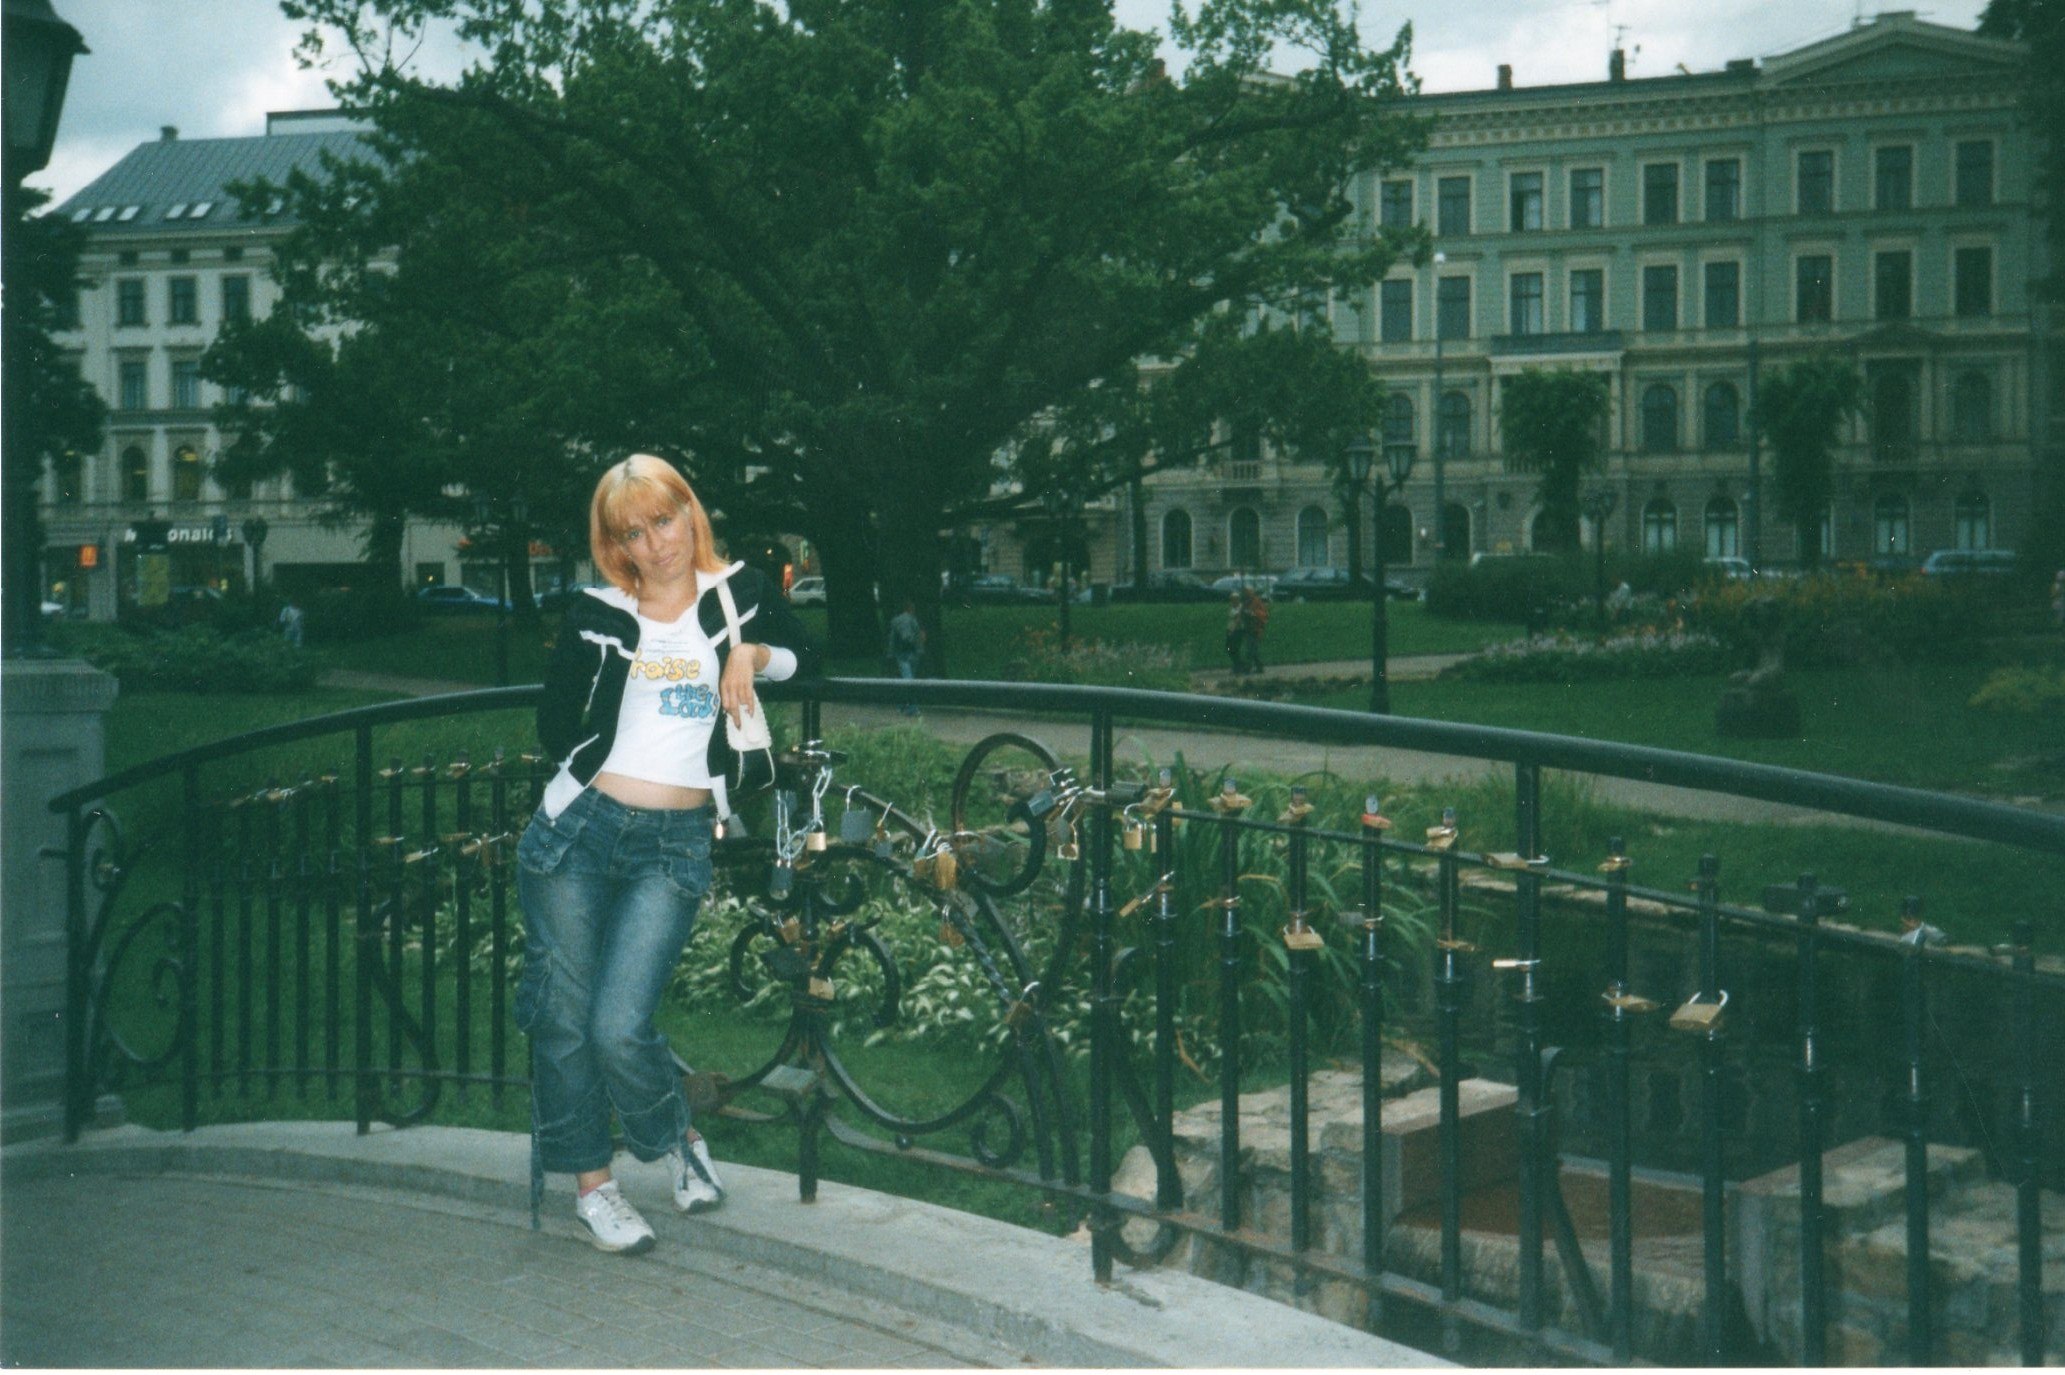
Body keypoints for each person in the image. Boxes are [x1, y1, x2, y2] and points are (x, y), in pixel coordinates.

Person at [519, 453, 819, 1255]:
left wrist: (749, 655)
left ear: (689, 511)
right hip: (577, 832)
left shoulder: (738, 593)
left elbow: (809, 659)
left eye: (663, 519)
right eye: (633, 532)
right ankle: (594, 1186)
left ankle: (675, 1136)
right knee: (566, 1021)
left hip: (674, 842)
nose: (655, 544)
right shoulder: (598, 611)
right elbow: (555, 725)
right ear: (614, 545)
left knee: (619, 1023)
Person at [887, 599, 926, 716]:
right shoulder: (910, 620)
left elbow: (892, 640)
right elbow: (907, 637)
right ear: (910, 608)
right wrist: (919, 641)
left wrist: (891, 654)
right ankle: (912, 708)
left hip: (901, 654)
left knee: (906, 679)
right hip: (910, 653)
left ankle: (902, 705)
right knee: (909, 681)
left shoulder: (895, 621)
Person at [1239, 588, 1268, 674]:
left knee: (1250, 649)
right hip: (1248, 628)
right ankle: (1259, 667)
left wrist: (1254, 613)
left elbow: (1264, 615)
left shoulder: (1256, 602)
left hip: (1256, 629)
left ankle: (1248, 668)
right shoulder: (1245, 603)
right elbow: (1242, 614)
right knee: (1253, 649)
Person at [1224, 592, 1246, 674]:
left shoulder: (1240, 608)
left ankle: (1238, 666)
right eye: (1231, 599)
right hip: (1230, 630)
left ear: (1238, 599)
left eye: (1234, 599)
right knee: (1228, 648)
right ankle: (1239, 664)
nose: (1232, 601)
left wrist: (1232, 630)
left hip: (1237, 631)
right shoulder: (1232, 607)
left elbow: (1238, 620)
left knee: (1234, 648)